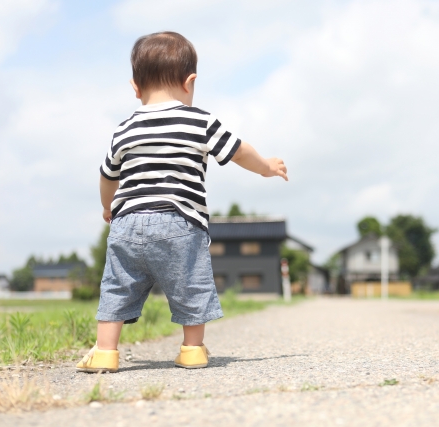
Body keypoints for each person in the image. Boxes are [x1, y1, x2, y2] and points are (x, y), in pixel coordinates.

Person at [76, 31, 288, 373]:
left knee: (116, 286)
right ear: (190, 82)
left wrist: (108, 206)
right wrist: (265, 167)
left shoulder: (124, 129)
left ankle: (105, 352)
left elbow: (107, 176)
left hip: (126, 223)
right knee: (190, 282)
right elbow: (238, 151)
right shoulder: (199, 121)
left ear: (135, 87)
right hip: (179, 221)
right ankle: (192, 349)